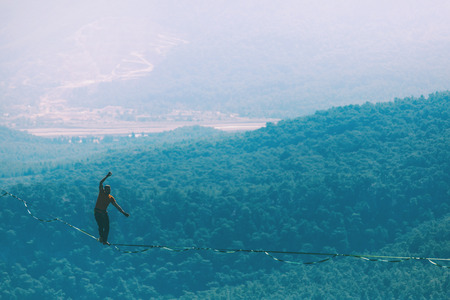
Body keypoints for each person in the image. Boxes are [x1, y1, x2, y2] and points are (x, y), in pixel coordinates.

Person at [94, 172, 129, 245]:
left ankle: (104, 241)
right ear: (105, 189)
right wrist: (106, 176)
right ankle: (101, 237)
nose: (109, 191)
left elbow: (117, 206)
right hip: (97, 212)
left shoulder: (110, 198)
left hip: (104, 213)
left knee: (107, 227)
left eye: (109, 189)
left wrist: (123, 213)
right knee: (101, 226)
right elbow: (100, 183)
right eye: (107, 189)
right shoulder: (101, 192)